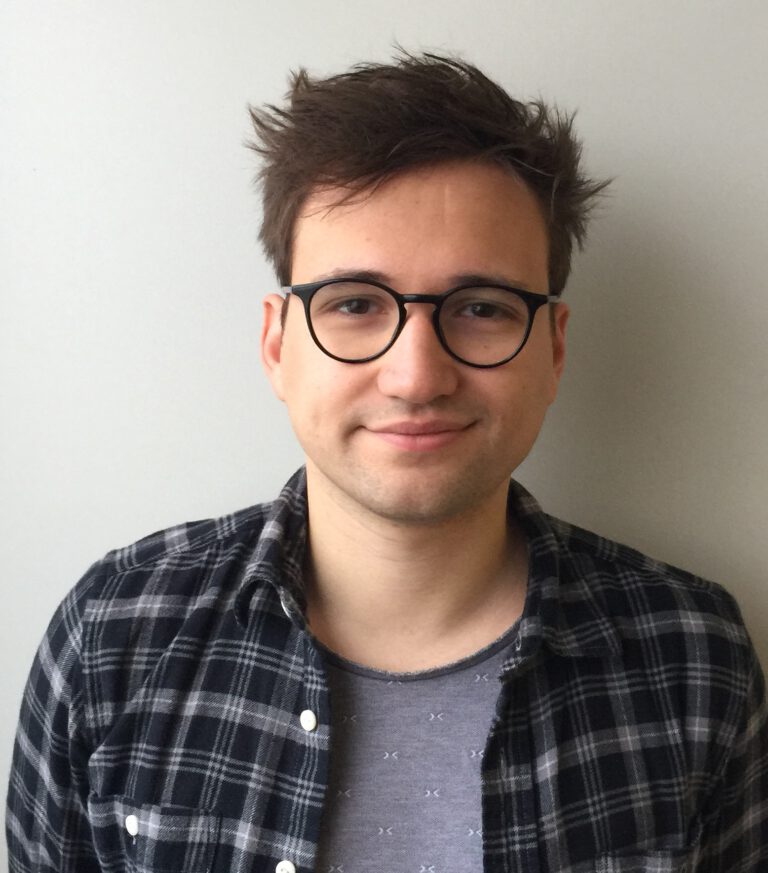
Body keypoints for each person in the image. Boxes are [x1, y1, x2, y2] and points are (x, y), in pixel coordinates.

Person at [7, 52, 767, 873]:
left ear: (553, 350)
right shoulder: (113, 637)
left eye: (481, 308)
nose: (416, 376)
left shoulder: (692, 656)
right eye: (355, 304)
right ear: (277, 343)